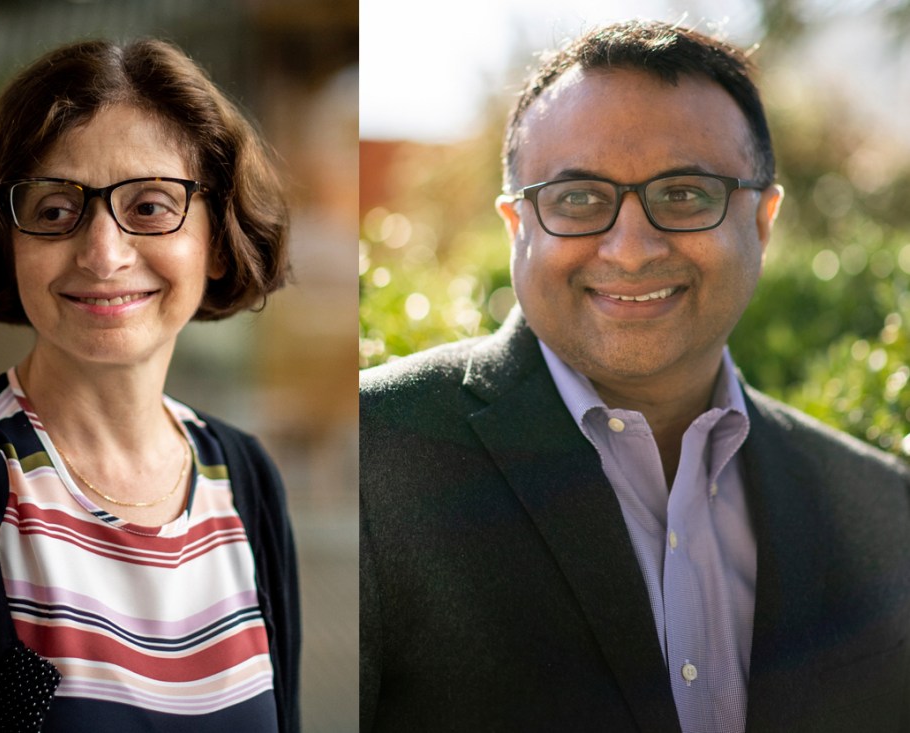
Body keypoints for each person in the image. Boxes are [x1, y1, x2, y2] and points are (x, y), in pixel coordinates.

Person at [360, 19, 910, 733]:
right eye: (578, 198)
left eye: (684, 194)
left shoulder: (879, 507)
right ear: (515, 226)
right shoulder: (375, 457)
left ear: (763, 220)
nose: (630, 249)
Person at [0, 38, 299, 731]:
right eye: (53, 210)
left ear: (218, 239)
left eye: (150, 206)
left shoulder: (247, 479)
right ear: (6, 239)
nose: (103, 253)